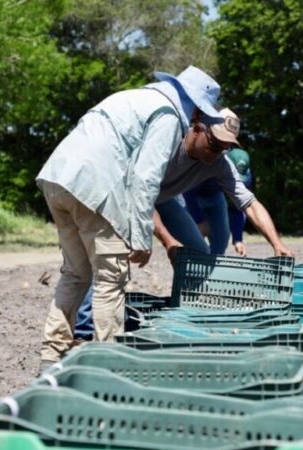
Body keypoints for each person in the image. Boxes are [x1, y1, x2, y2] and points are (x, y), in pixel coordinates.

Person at [35, 66, 232, 370]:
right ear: (195, 107)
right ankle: (107, 368)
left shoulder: (133, 98)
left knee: (76, 273)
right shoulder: (167, 115)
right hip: (95, 184)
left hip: (58, 176)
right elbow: (145, 178)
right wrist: (141, 237)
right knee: (110, 280)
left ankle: (51, 357)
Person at [73, 109, 293, 341]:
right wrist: (168, 241)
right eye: (215, 143)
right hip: (123, 193)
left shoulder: (220, 162)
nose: (219, 152)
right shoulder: (166, 143)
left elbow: (249, 203)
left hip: (162, 198)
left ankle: (191, 314)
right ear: (198, 128)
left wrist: (277, 244)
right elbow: (140, 195)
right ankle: (83, 332)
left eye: (225, 147)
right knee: (111, 258)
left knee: (198, 253)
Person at [183, 148, 252, 256]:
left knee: (222, 237)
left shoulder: (246, 177)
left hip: (215, 196)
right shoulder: (210, 163)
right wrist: (199, 220)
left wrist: (238, 239)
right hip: (192, 194)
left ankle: (211, 268)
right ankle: (188, 263)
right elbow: (188, 193)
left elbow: (238, 207)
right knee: (192, 237)